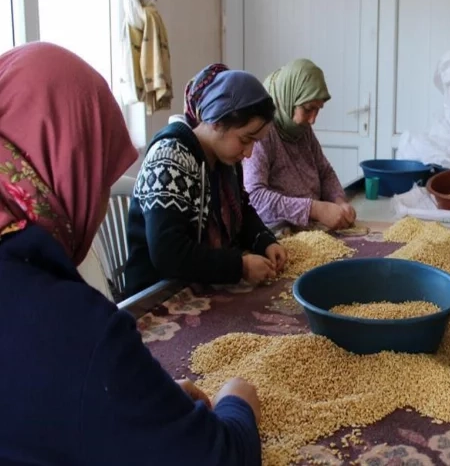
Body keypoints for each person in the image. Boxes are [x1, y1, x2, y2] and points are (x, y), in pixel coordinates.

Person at [0, 43, 263, 465]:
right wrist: (237, 401)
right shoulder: (70, 326)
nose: (103, 204)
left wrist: (136, 401)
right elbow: (217, 457)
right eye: (103, 179)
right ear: (71, 171)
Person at [124, 63, 287, 296]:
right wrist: (239, 267)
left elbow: (242, 208)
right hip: (161, 293)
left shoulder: (225, 161)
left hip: (204, 281)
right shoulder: (171, 157)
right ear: (217, 121)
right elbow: (168, 253)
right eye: (245, 139)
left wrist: (265, 241)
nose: (249, 152)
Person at [242, 58, 356, 230]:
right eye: (308, 108)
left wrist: (339, 201)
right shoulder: (263, 131)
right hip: (276, 232)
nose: (313, 119)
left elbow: (324, 171)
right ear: (288, 98)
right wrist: (314, 209)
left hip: (310, 229)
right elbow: (255, 198)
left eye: (318, 109)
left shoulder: (301, 129)